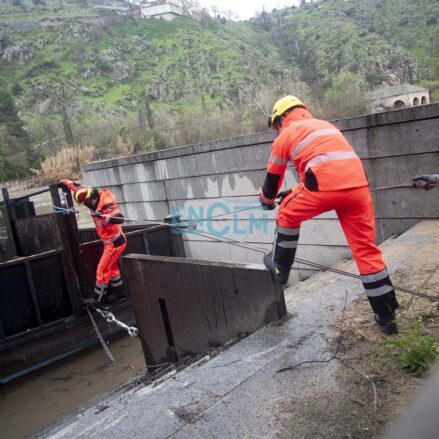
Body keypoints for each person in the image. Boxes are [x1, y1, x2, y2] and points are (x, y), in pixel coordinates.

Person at [259, 95, 399, 334]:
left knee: (286, 213)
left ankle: (280, 269)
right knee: (365, 250)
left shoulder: (286, 134)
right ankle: (387, 316)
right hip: (357, 188)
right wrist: (294, 190)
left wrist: (267, 200)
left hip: (323, 188)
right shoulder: (326, 126)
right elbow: (330, 163)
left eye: (277, 124)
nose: (277, 129)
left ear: (283, 117)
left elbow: (273, 177)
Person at [60, 179, 127, 306]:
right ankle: (119, 291)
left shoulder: (107, 206)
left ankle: (97, 299)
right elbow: (78, 189)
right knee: (112, 268)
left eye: (87, 201)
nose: (86, 204)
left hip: (115, 243)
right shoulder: (92, 200)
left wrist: (110, 218)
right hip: (110, 243)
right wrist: (68, 184)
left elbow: (120, 216)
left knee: (102, 270)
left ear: (94, 197)